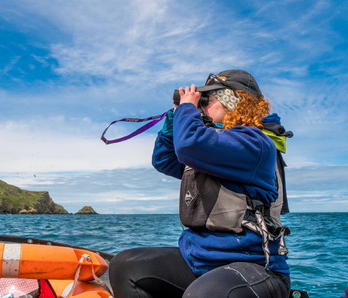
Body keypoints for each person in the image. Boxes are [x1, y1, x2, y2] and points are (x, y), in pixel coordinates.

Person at [109, 70, 292, 298]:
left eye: (208, 99)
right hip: (201, 260)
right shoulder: (214, 148)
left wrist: (187, 109)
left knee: (204, 294)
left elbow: (188, 146)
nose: (202, 106)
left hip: (253, 266)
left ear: (232, 100)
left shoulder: (256, 143)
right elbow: (164, 161)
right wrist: (171, 124)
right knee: (125, 266)